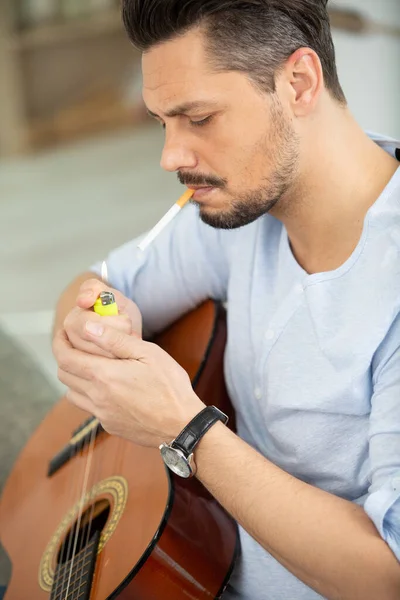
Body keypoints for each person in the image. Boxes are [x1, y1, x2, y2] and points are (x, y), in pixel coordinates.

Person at [52, 1, 400, 598]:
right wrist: (95, 324)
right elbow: (98, 281)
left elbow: (388, 574)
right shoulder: (241, 208)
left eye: (200, 119)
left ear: (298, 83)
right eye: (164, 123)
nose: (171, 157)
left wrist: (185, 430)